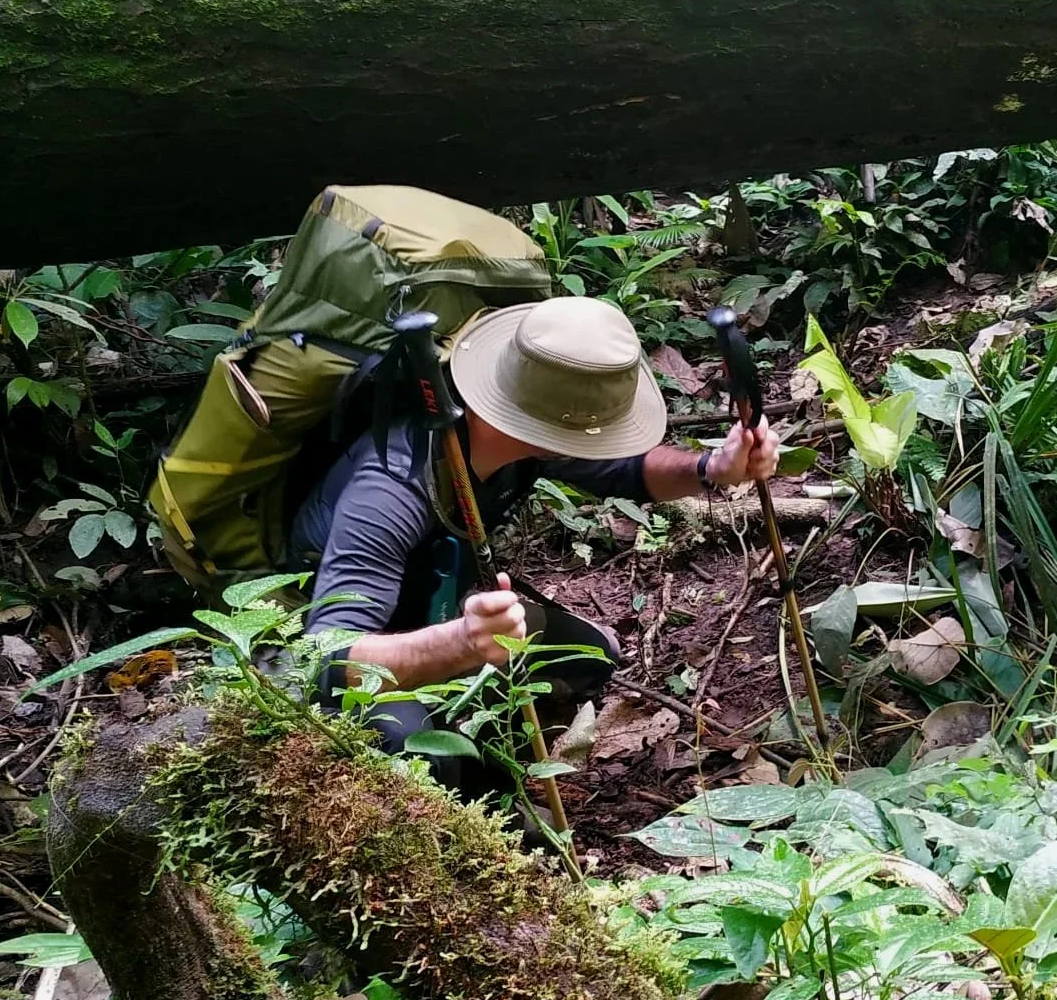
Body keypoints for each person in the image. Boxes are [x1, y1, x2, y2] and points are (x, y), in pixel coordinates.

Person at [289, 295, 782, 787]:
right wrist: (460, 644)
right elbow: (327, 659)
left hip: (442, 610)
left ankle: (496, 759)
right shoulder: (391, 485)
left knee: (589, 658)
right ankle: (461, 799)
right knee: (418, 753)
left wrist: (712, 468)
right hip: (358, 638)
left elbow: (628, 471)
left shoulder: (520, 431)